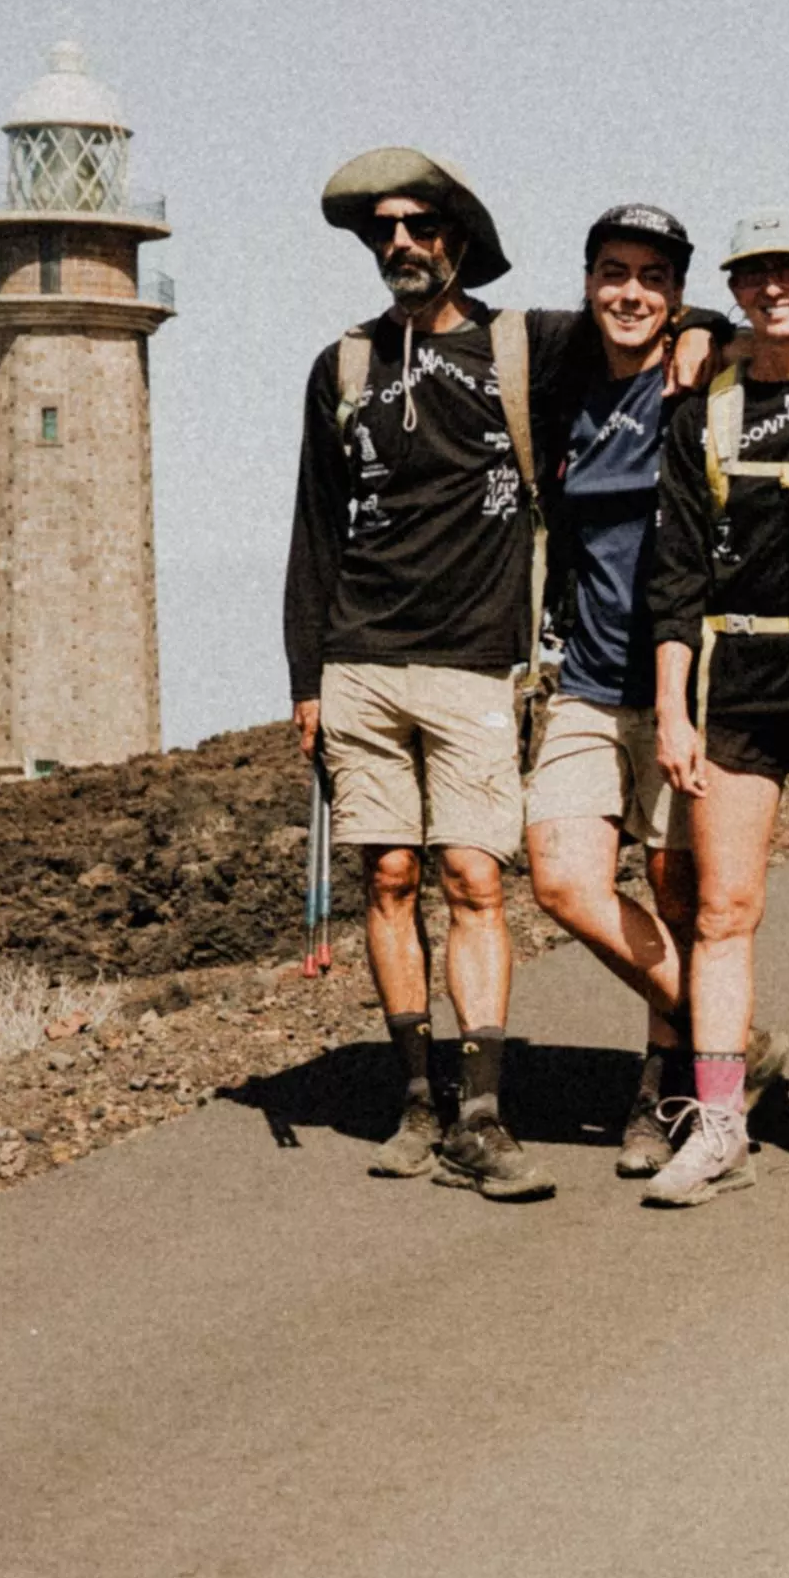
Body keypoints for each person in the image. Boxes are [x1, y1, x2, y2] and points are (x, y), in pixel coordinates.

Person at [286, 144, 556, 1202]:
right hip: (359, 661)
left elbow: (675, 330)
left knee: (475, 877)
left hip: (477, 662)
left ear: (459, 237)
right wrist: (305, 678)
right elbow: (313, 529)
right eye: (382, 231)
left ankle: (480, 1112)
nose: (399, 243)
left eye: (418, 226)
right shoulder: (343, 365)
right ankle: (415, 1098)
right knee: (387, 878)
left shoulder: (523, 346)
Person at [638, 211, 789, 1205]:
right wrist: (670, 707)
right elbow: (675, 574)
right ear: (735, 290)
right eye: (755, 274)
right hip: (734, 674)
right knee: (724, 908)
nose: (775, 287)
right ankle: (720, 1119)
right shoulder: (704, 407)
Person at [514, 203, 721, 1178]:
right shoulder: (564, 388)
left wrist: (709, 330)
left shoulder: (700, 381)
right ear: (588, 281)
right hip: (589, 681)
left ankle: (661, 1084)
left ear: (676, 292)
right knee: (562, 877)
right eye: (611, 272)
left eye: (651, 277)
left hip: (691, 683)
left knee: (674, 888)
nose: (629, 292)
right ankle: (718, 1031)